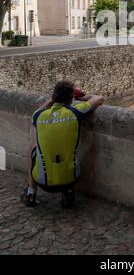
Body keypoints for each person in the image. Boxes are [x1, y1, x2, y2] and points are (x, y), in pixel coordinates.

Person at [21, 80, 103, 209]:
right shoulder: (75, 112)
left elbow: (40, 109)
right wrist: (80, 97)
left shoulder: (38, 116)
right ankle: (68, 192)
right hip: (71, 179)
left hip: (43, 182)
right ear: (70, 99)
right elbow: (98, 99)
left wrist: (51, 100)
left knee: (33, 146)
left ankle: (31, 191)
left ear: (54, 97)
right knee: (67, 150)